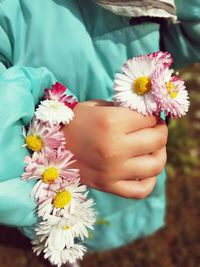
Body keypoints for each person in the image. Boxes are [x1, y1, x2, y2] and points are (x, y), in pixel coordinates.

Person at [0, 0, 199, 265]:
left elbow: (176, 43)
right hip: (38, 196)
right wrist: (53, 139)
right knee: (57, 237)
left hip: (133, 181)